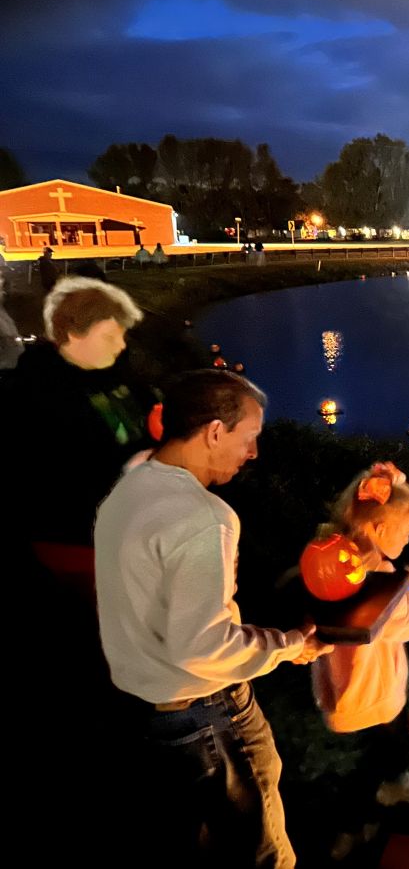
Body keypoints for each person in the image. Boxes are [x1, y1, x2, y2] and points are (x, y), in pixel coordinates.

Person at [93, 369, 331, 867]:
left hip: (144, 713)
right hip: (208, 718)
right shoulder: (203, 517)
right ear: (215, 432)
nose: (254, 453)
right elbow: (203, 645)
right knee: (260, 853)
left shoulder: (129, 486)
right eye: (250, 438)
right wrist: (291, 646)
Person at [1, 275, 156, 592]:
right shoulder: (35, 395)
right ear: (72, 334)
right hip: (78, 548)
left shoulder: (117, 378)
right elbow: (52, 474)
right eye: (110, 336)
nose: (122, 344)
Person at [308, 461, 409, 733]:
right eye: (406, 533)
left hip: (335, 696)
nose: (407, 540)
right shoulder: (382, 579)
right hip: (373, 700)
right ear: (381, 528)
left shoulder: (329, 560)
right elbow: (408, 625)